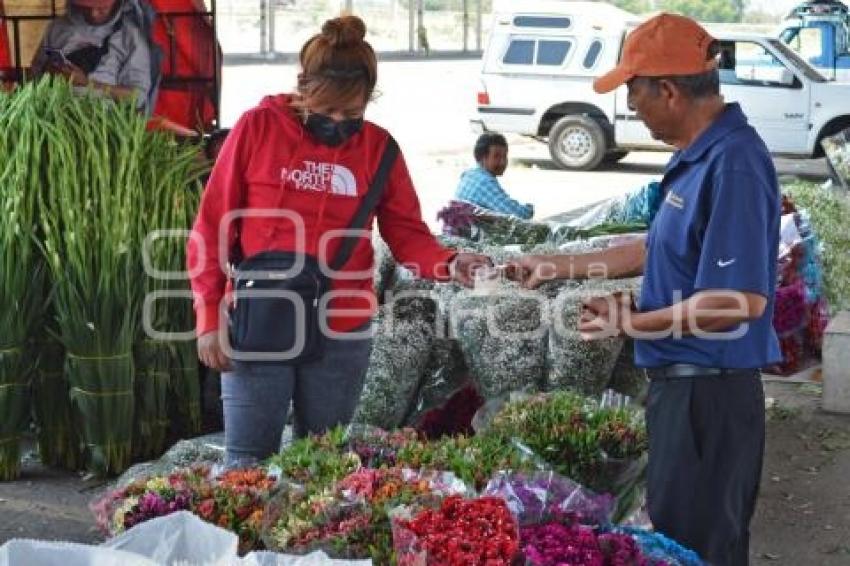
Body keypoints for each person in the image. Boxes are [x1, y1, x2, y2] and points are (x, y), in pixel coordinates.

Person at [509, 13, 780, 566]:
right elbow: (655, 248)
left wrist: (630, 323)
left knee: (702, 550)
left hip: (710, 399)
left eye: (634, 89)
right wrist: (558, 265)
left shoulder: (735, 164)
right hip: (683, 390)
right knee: (678, 543)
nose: (630, 104)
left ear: (669, 90)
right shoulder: (694, 156)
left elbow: (738, 303)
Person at [187, 15, 490, 468]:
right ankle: (245, 543)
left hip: (343, 326)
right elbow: (211, 226)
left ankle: (303, 541)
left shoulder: (380, 150)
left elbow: (408, 234)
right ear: (303, 86)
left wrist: (450, 262)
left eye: (352, 114)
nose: (337, 124)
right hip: (262, 317)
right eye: (325, 111)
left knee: (322, 462)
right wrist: (208, 314)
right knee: (246, 464)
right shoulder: (257, 129)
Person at [32, 0, 156, 114]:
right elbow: (34, 74)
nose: (94, 14)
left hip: (103, 118)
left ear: (117, 3)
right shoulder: (58, 28)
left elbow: (137, 97)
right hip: (54, 111)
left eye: (102, 8)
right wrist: (48, 72)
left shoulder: (130, 37)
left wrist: (87, 83)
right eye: (87, 7)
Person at [454, 132, 534, 219]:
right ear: (482, 158)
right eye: (497, 156)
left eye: (505, 156)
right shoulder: (483, 182)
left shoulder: (470, 174)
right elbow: (519, 215)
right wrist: (529, 208)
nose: (503, 162)